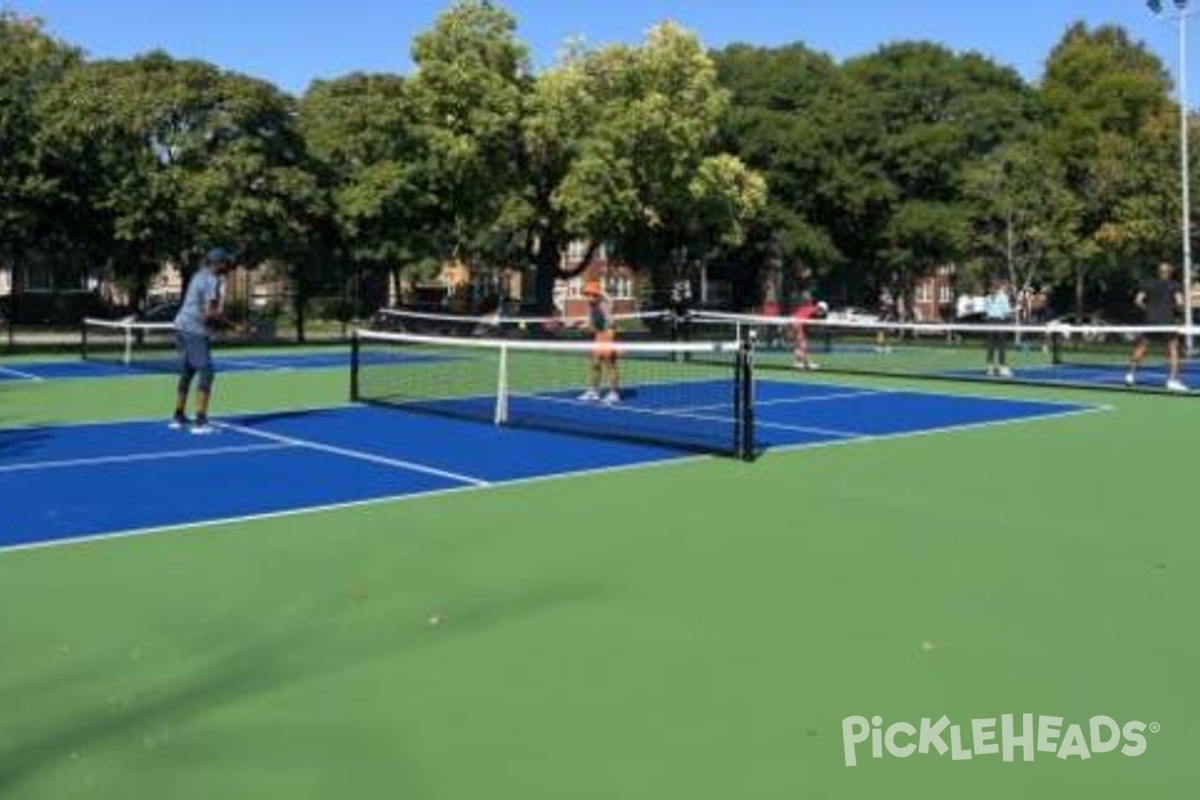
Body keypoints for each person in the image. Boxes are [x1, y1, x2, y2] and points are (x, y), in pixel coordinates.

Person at [171, 247, 236, 433]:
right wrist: (233, 326)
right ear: (219, 264)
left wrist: (215, 327)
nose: (228, 266)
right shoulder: (212, 280)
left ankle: (178, 417)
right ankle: (200, 421)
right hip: (193, 329)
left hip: (180, 326)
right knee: (207, 371)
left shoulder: (198, 275)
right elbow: (210, 313)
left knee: (188, 370)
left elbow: (205, 311)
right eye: (226, 262)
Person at [1126, 262, 1188, 392]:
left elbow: (1138, 301)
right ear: (1169, 272)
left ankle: (1130, 376)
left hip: (1150, 320)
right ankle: (1172, 381)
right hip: (1167, 321)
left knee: (1141, 347)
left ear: (1158, 272)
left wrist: (1148, 310)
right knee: (1173, 349)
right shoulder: (1175, 285)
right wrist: (1179, 313)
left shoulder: (1148, 284)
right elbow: (1179, 303)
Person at [578, 280, 621, 403]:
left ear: (597, 295)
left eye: (591, 294)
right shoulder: (591, 307)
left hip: (609, 336)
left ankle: (614, 393)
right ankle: (593, 391)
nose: (588, 297)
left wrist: (599, 290)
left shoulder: (605, 304)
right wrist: (581, 325)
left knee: (610, 365)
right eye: (587, 294)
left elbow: (610, 300)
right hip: (598, 336)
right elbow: (590, 325)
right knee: (595, 364)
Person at [983, 276, 1014, 378]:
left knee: (1001, 346)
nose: (992, 288)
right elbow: (986, 312)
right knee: (990, 346)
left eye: (994, 286)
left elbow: (1006, 313)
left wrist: (1011, 312)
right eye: (990, 286)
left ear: (997, 287)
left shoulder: (1003, 297)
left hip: (1001, 322)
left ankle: (1002, 368)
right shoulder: (987, 298)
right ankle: (990, 367)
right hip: (990, 322)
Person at [791, 293, 827, 370]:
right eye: (824, 311)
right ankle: (807, 364)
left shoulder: (811, 309)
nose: (823, 313)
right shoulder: (815, 310)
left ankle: (797, 363)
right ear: (821, 308)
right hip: (797, 324)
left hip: (795, 323)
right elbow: (818, 315)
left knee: (798, 345)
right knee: (803, 344)